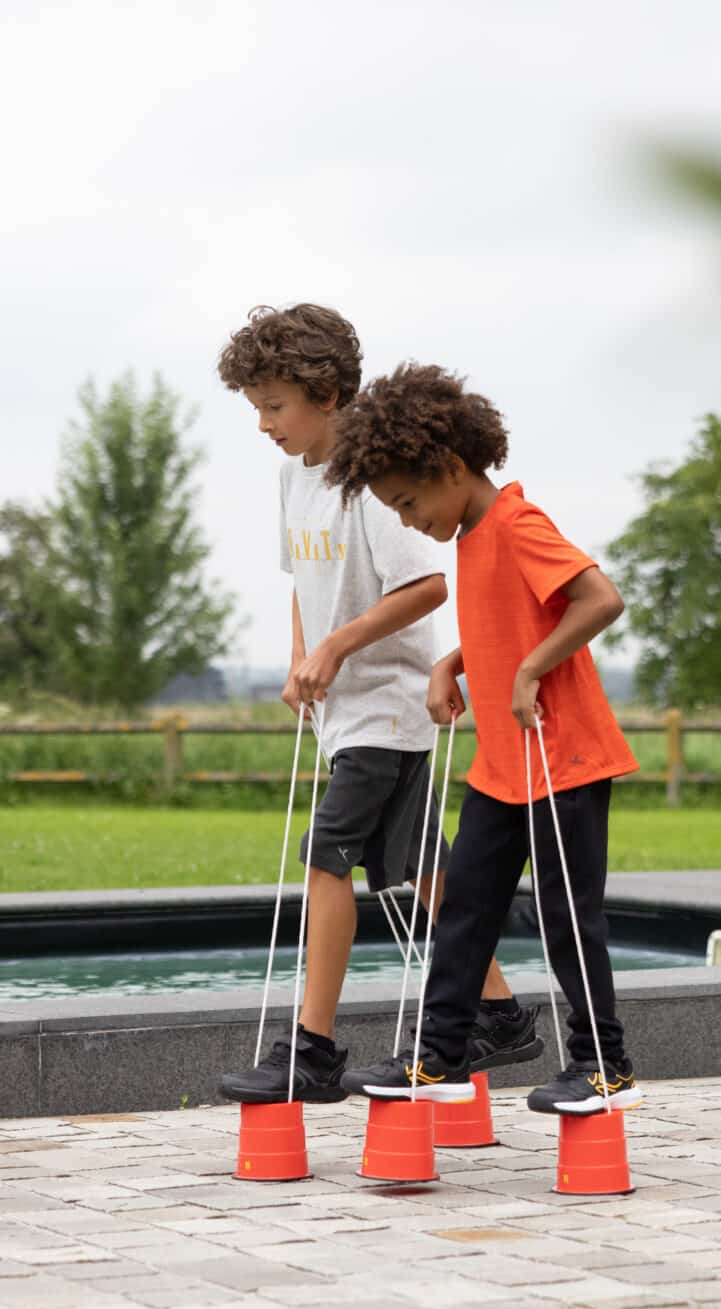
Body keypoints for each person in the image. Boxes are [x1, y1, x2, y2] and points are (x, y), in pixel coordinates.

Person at [212, 307, 540, 1105]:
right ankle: (499, 1013)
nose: (263, 425)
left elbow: (428, 587)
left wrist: (337, 648)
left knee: (327, 858)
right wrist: (303, 655)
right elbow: (303, 580)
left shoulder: (367, 482)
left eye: (275, 405)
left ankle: (313, 1047)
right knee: (423, 870)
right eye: (255, 407)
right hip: (346, 713)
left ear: (326, 394)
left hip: (388, 710)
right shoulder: (293, 477)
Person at [325, 362, 642, 1115]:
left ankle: (605, 1064)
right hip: (504, 765)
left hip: (561, 759)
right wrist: (452, 662)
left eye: (408, 501)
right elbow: (508, 617)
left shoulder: (516, 523)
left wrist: (531, 669)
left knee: (568, 918)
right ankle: (438, 1058)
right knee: (465, 907)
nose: (407, 520)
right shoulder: (473, 535)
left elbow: (600, 599)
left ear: (451, 467)